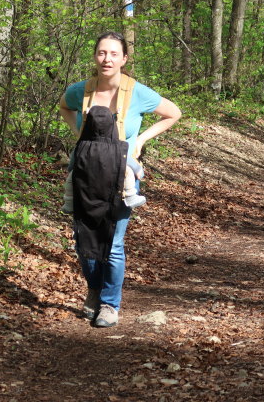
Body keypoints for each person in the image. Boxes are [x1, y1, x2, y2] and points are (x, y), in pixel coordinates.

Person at [59, 31, 181, 328]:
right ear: (95, 56)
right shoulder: (81, 91)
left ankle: (110, 305)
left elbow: (173, 113)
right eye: (102, 53)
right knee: (83, 239)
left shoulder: (137, 92)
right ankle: (94, 290)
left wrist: (138, 141)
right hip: (85, 176)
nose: (107, 59)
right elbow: (64, 106)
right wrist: (81, 135)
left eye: (114, 54)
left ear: (124, 59)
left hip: (120, 178)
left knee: (112, 243)